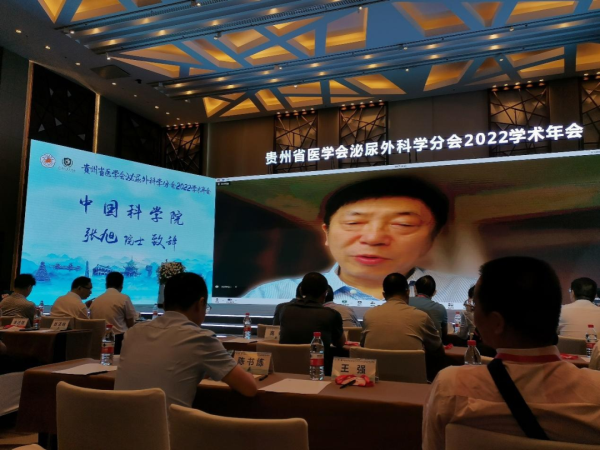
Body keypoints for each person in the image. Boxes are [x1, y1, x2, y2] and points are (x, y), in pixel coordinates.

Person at [422, 257, 600, 450]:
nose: (472, 312)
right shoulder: (595, 392)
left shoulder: (450, 388)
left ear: (497, 323)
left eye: (475, 307)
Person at [244, 176, 476, 307]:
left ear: (432, 239)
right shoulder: (269, 295)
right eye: (353, 223)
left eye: (403, 224)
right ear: (326, 233)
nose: (373, 238)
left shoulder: (470, 293)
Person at [115, 272, 257, 407]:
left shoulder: (132, 333)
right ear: (200, 303)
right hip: (166, 425)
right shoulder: (200, 338)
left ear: (165, 304)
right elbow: (249, 388)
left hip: (118, 423)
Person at [361, 274, 444, 363]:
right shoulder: (422, 317)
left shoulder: (368, 315)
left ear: (384, 295)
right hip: (412, 371)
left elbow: (362, 345)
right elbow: (437, 348)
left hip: (375, 371)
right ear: (408, 292)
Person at [279, 272, 345, 375]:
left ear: (301, 290)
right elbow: (340, 343)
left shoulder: (285, 310)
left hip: (285, 372)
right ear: (325, 293)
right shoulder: (331, 314)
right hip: (317, 374)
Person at [90, 272, 136, 354]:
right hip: (119, 339)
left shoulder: (96, 301)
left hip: (98, 340)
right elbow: (130, 323)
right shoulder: (124, 298)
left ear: (106, 285)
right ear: (121, 285)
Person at [409, 275, 447, 342]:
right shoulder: (440, 308)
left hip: (407, 346)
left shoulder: (404, 302)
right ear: (434, 292)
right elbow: (444, 335)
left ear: (415, 288)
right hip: (432, 347)